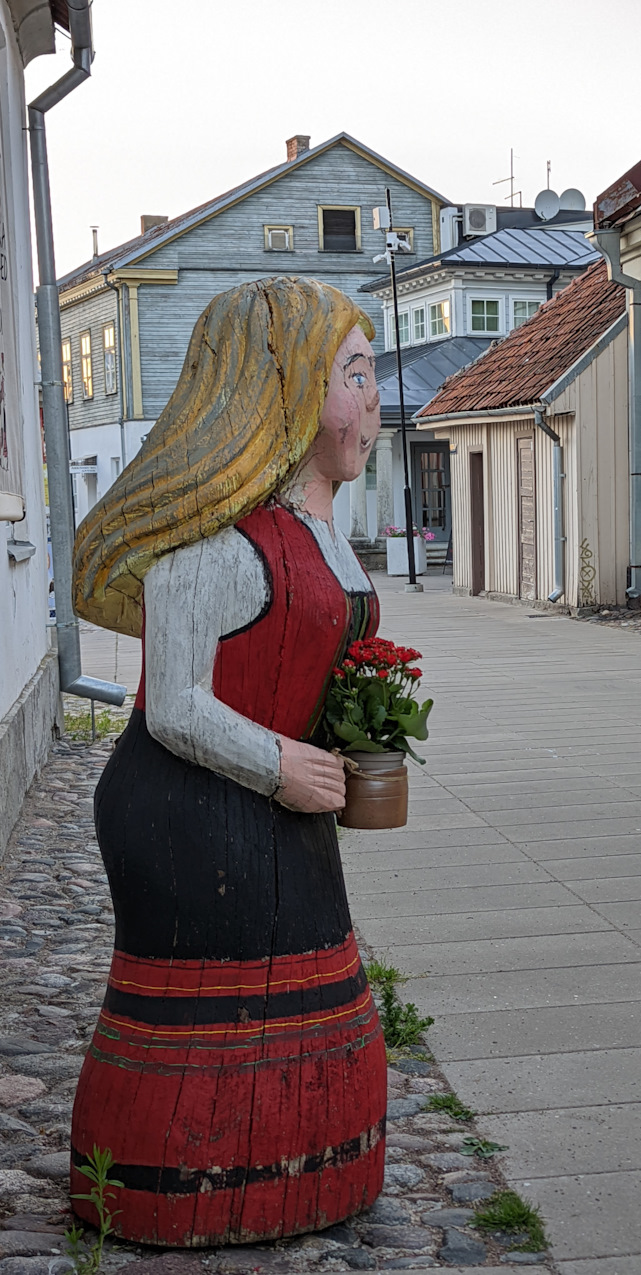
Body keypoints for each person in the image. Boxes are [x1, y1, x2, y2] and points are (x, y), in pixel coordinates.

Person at [71, 277, 386, 1247]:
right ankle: (176, 1186)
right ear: (281, 388)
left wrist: (364, 733)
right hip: (189, 810)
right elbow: (174, 705)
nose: (373, 400)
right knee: (206, 1010)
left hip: (282, 803)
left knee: (314, 980)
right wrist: (279, 762)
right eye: (353, 374)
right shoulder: (212, 551)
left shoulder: (323, 534)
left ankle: (308, 1171)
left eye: (373, 375)